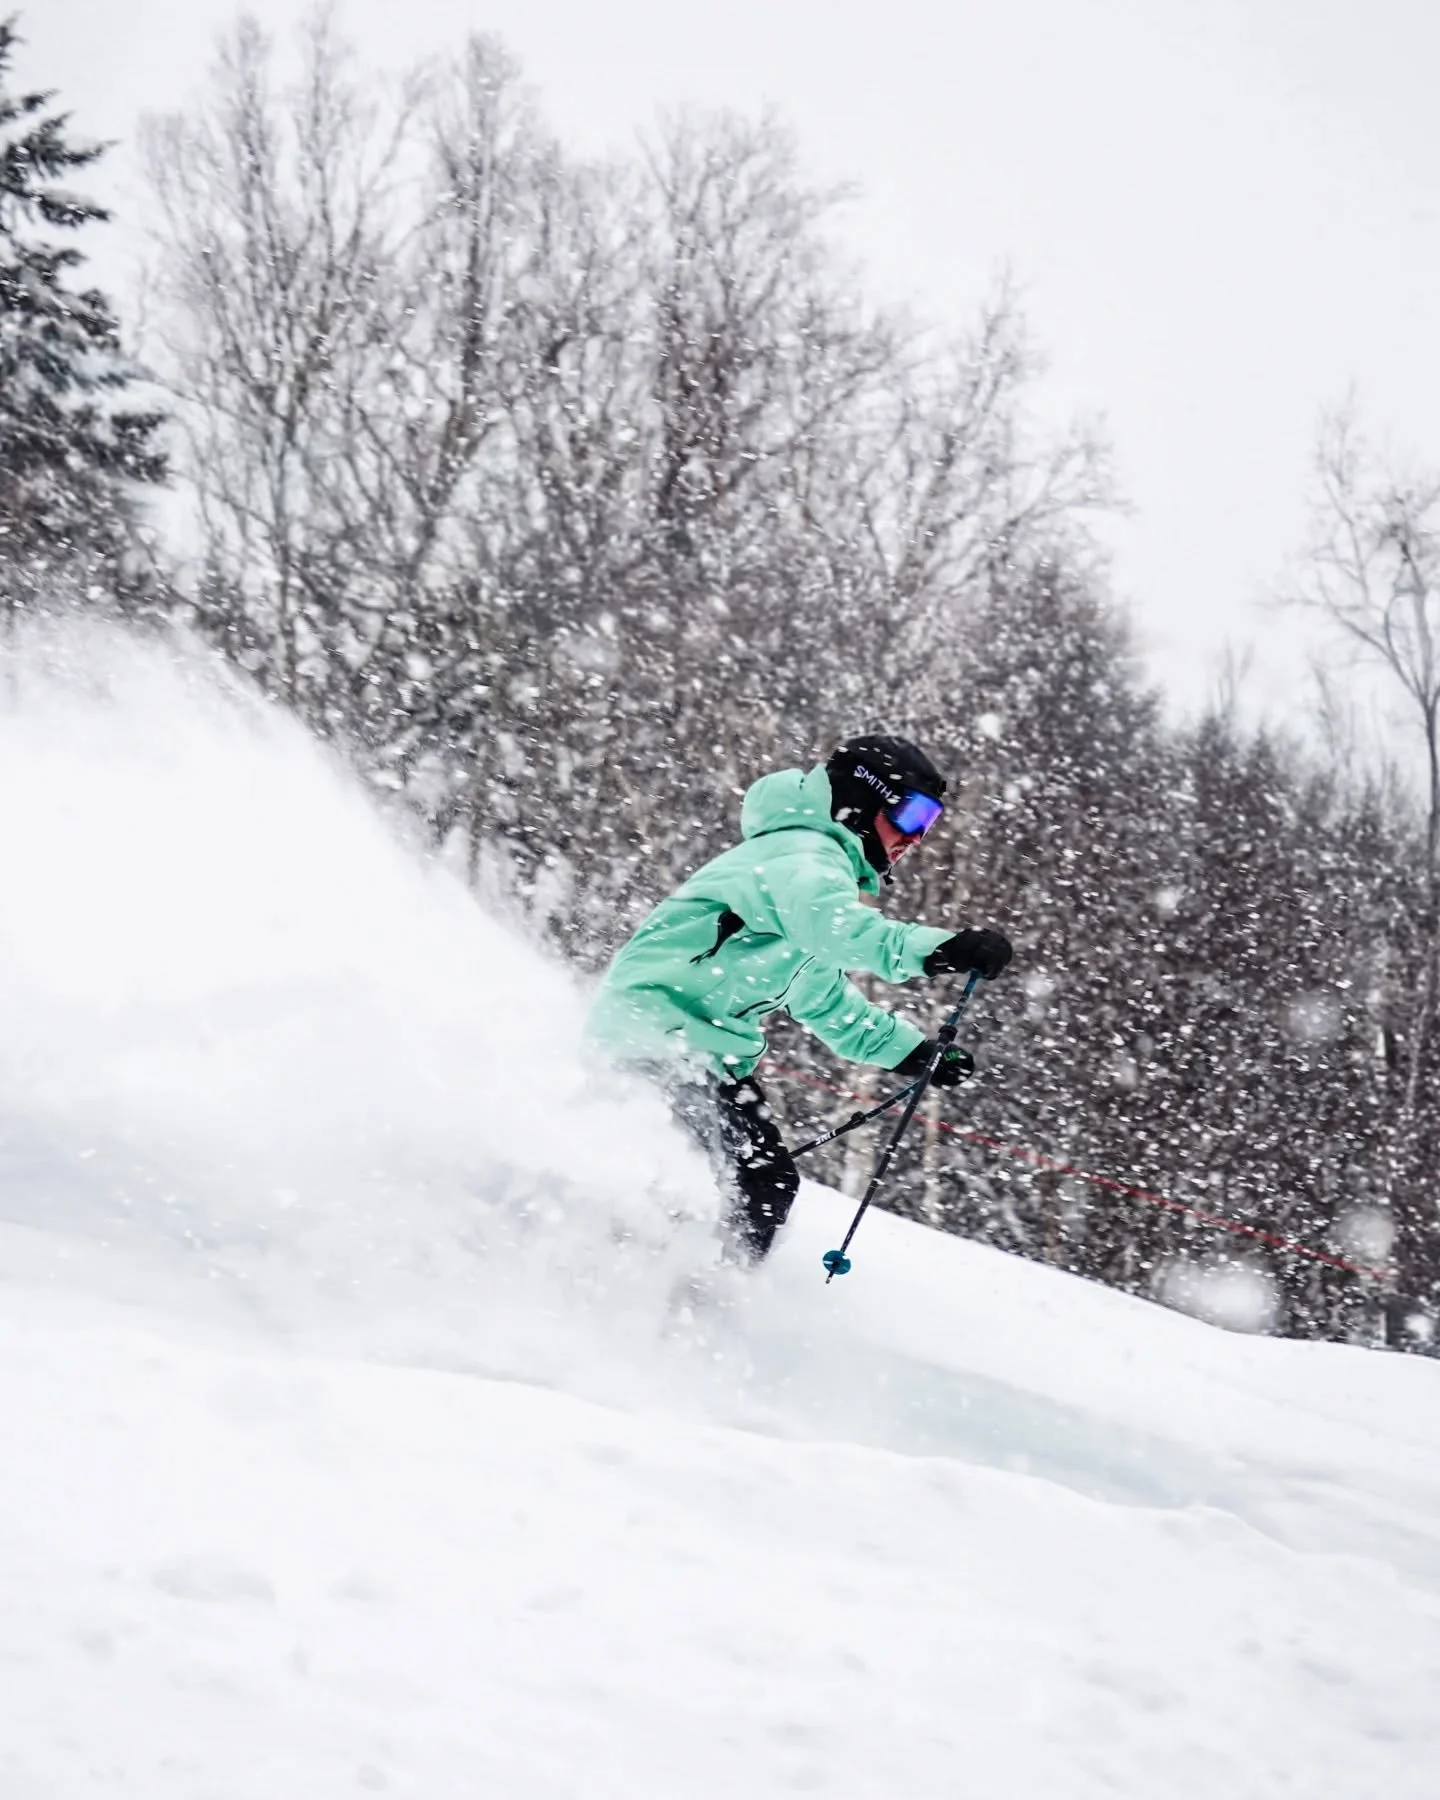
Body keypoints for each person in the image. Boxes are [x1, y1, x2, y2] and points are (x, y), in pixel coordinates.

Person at [587, 735, 1013, 1262]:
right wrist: (942, 950)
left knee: (746, 1183)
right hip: (657, 1042)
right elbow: (841, 930)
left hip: (696, 1058)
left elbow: (831, 1002)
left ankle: (658, 1275)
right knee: (758, 1184)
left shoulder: (802, 884)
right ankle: (694, 1301)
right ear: (864, 798)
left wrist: (915, 1054)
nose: (915, 837)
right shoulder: (801, 855)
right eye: (910, 815)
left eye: (928, 826)